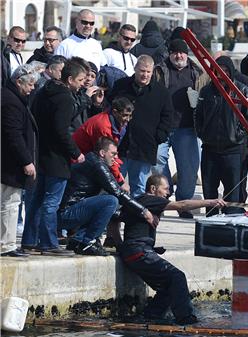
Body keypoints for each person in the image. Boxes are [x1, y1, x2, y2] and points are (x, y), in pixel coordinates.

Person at [118, 174, 226, 325]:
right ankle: (186, 319)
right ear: (153, 189)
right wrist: (210, 202)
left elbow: (116, 217)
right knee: (177, 277)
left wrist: (119, 244)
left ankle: (152, 315)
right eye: (166, 189)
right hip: (139, 252)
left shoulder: (141, 202)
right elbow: (181, 205)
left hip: (135, 252)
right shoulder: (149, 199)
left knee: (168, 286)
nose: (168, 193)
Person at [22, 57, 87, 256]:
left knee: (36, 201)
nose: (83, 83)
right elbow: (61, 130)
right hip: (57, 159)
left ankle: (29, 240)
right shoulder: (65, 98)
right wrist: (76, 152)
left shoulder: (43, 92)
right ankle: (48, 243)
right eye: (80, 80)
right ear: (69, 79)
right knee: (51, 203)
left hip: (40, 154)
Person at [59, 138, 154, 256]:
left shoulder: (94, 161)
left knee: (106, 199)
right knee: (110, 201)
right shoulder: (97, 165)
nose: (115, 158)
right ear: (102, 153)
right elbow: (118, 193)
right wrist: (143, 210)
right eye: (113, 154)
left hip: (70, 210)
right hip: (66, 213)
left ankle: (78, 240)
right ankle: (89, 242)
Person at [152, 38, 204, 218]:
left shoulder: (197, 72)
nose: (178, 55)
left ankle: (184, 204)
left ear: (187, 53)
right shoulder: (159, 70)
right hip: (162, 126)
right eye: (175, 52)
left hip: (188, 128)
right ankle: (164, 198)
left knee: (189, 170)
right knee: (157, 162)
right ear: (170, 53)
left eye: (182, 52)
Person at [196, 56, 248, 216]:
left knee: (233, 192)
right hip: (209, 148)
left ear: (231, 72)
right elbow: (198, 115)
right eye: (218, 70)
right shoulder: (206, 91)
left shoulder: (243, 90)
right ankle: (210, 222)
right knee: (209, 191)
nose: (221, 74)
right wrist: (203, 133)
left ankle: (232, 222)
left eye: (225, 70)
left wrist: (239, 136)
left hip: (234, 149)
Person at [110, 55, 173, 197]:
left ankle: (137, 218)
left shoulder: (161, 92)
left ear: (152, 72)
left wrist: (159, 137)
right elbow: (109, 107)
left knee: (139, 187)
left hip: (144, 147)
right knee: (114, 186)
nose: (145, 75)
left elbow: (168, 117)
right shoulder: (121, 85)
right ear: (135, 69)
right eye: (142, 71)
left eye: (148, 72)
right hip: (120, 146)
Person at [1, 65, 39, 257]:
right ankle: (6, 245)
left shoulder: (13, 97)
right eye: (30, 84)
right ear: (19, 82)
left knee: (9, 203)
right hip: (10, 165)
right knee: (9, 203)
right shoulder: (11, 102)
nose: (32, 88)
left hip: (9, 163)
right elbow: (13, 135)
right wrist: (26, 161)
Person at [73, 96, 134, 185]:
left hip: (88, 158)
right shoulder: (103, 126)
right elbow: (108, 154)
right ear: (115, 112)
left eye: (130, 116)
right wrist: (120, 181)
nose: (128, 119)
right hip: (78, 160)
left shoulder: (117, 122)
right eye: (125, 115)